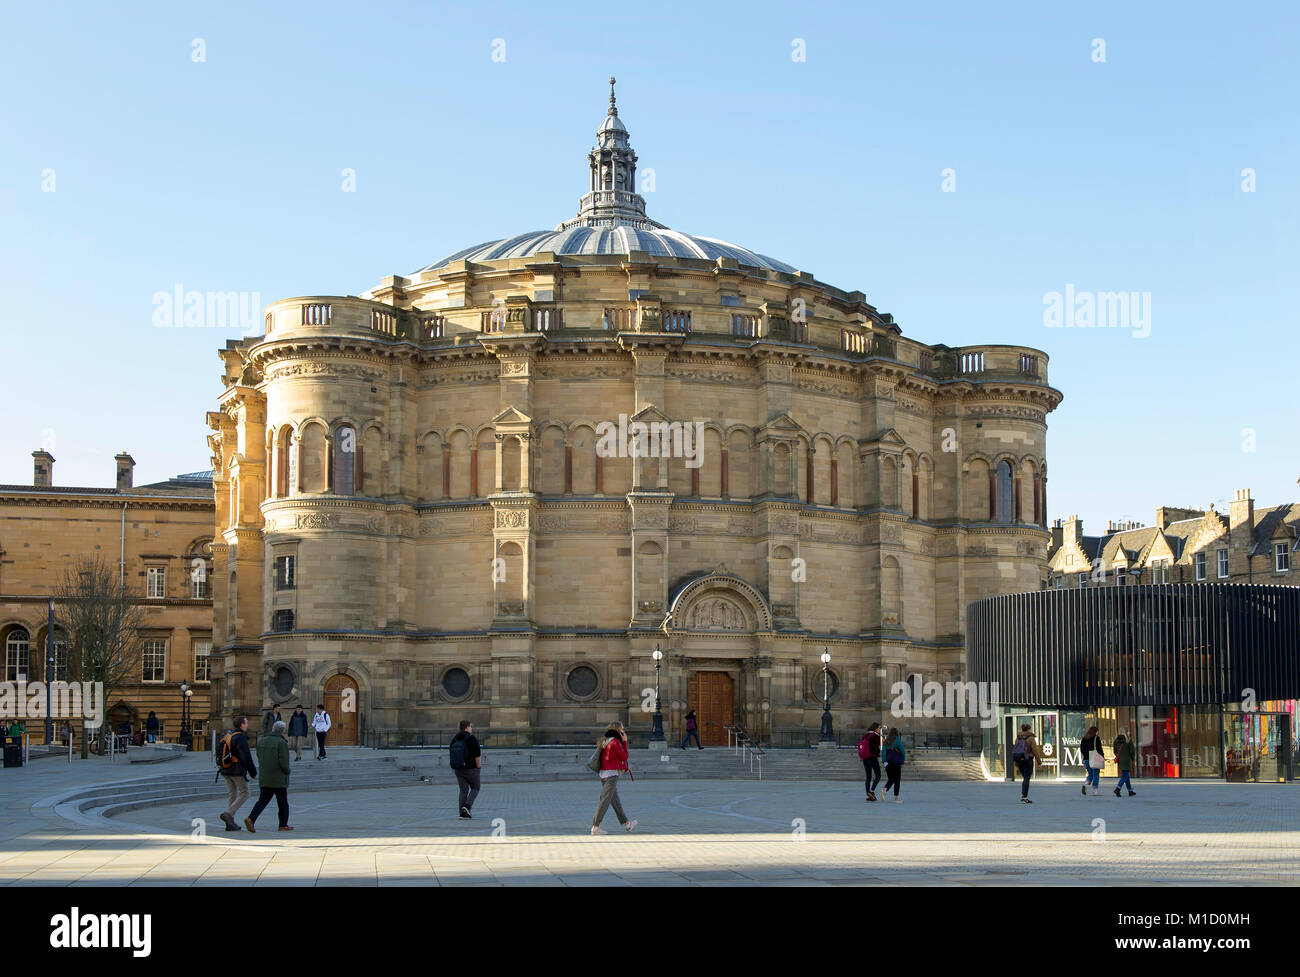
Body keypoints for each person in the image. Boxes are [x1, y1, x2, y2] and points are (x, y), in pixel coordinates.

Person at [246, 720, 293, 832]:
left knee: (262, 800)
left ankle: (251, 819)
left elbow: (258, 756)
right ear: (283, 731)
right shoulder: (281, 743)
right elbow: (284, 762)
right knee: (282, 802)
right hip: (279, 778)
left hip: (265, 776)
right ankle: (283, 824)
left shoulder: (262, 741)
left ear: (273, 729)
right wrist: (287, 771)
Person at [591, 721, 637, 834]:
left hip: (603, 773)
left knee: (615, 801)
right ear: (617, 730)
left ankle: (627, 824)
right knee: (605, 800)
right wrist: (625, 742)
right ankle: (595, 827)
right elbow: (624, 756)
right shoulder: (615, 742)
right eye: (622, 728)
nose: (623, 730)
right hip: (611, 774)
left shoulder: (605, 740)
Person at [218, 717, 257, 832]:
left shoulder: (229, 734)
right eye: (246, 722)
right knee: (245, 793)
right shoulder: (240, 737)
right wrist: (253, 772)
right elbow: (246, 756)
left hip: (225, 769)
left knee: (232, 795)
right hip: (236, 770)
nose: (247, 724)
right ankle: (228, 814)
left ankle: (230, 823)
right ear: (241, 724)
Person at [449, 720, 482, 819]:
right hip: (471, 768)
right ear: (467, 727)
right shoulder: (471, 738)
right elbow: (477, 755)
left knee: (463, 791)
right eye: (470, 727)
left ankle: (462, 813)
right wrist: (478, 767)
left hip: (459, 769)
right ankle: (467, 806)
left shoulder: (455, 739)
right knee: (476, 788)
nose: (471, 728)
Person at [1011, 723, 1043, 803]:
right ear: (1029, 729)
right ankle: (1024, 797)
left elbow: (1016, 749)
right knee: (1026, 778)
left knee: (1025, 777)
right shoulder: (1031, 738)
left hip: (1020, 759)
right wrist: (1039, 762)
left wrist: (1016, 761)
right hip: (1028, 759)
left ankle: (1024, 795)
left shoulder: (1018, 737)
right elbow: (1035, 751)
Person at [859, 722, 883, 801]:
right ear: (875, 728)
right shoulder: (875, 736)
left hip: (865, 758)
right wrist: (878, 753)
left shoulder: (865, 735)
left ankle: (868, 795)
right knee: (878, 775)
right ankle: (872, 791)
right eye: (879, 728)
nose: (880, 730)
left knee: (868, 777)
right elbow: (876, 748)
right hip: (872, 757)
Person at [881, 726, 905, 803]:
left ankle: (884, 790)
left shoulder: (886, 741)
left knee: (891, 779)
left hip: (888, 763)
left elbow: (883, 752)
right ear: (896, 733)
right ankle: (896, 798)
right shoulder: (897, 741)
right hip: (896, 763)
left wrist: (884, 761)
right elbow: (902, 751)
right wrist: (902, 760)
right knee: (897, 781)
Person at [1080, 724, 1105, 796]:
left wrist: (1085, 756)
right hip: (1094, 758)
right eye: (1097, 731)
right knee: (1096, 773)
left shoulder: (1084, 739)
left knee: (1090, 773)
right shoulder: (1096, 738)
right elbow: (1099, 749)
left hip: (1086, 759)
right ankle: (1095, 790)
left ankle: (1086, 784)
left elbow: (1082, 750)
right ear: (1095, 732)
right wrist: (1102, 757)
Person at [1113, 728, 1137, 796]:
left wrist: (1119, 756)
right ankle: (1118, 788)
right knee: (1124, 775)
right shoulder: (1128, 741)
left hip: (1120, 760)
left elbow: (1115, 751)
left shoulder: (1116, 741)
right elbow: (1132, 751)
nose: (1129, 733)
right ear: (1126, 732)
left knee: (1126, 775)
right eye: (1128, 731)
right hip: (1127, 760)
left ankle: (1130, 791)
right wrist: (1132, 759)